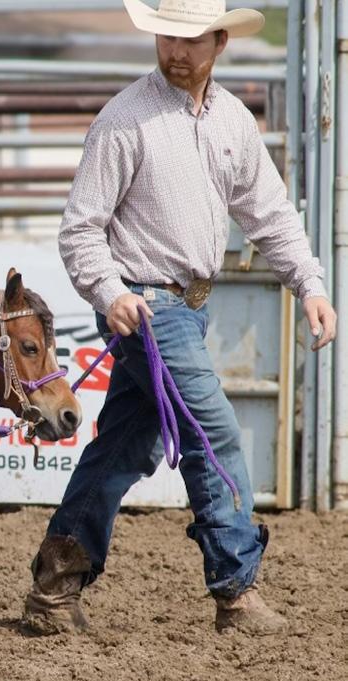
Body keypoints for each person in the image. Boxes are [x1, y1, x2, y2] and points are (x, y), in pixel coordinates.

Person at [22, 0, 337, 637]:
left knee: (123, 447)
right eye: (168, 36)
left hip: (185, 310)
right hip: (146, 307)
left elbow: (269, 213)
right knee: (212, 432)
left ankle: (54, 588)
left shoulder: (232, 121)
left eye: (191, 39)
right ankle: (236, 589)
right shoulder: (124, 119)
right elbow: (81, 229)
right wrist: (109, 292)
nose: (176, 51)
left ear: (219, 41)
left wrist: (309, 283)